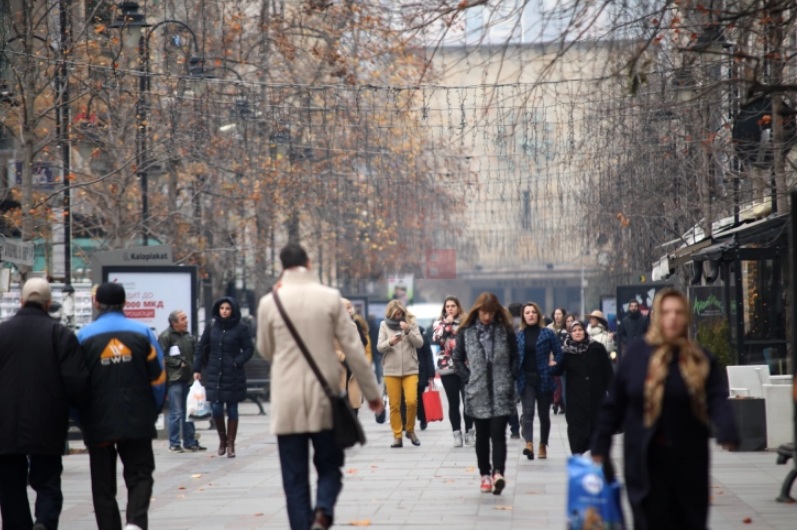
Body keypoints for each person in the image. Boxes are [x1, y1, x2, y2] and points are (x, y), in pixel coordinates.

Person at [257, 244, 382, 530]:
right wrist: (372, 394)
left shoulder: (270, 302)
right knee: (329, 467)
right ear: (309, 263)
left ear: (281, 265)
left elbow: (265, 349)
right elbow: (354, 349)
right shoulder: (330, 298)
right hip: (325, 398)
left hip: (287, 402)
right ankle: (323, 511)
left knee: (294, 477)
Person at [591, 289, 739, 530]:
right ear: (656, 316)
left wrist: (727, 429)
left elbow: (716, 398)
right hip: (644, 459)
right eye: (666, 312)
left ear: (686, 317)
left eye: (679, 312)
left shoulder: (699, 358)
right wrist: (600, 444)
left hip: (688, 459)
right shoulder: (637, 356)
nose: (672, 318)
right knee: (649, 520)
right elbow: (614, 404)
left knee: (689, 521)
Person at [0, 278, 89, 530]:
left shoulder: (2, 333)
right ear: (49, 303)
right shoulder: (59, 334)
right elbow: (77, 382)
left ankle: (18, 526)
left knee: (9, 484)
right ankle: (44, 522)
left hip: (5, 425)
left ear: (21, 300)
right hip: (47, 421)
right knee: (48, 479)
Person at [77, 282, 166, 530]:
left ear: (97, 303)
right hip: (137, 418)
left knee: (103, 485)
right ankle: (135, 522)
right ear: (125, 303)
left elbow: (74, 383)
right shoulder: (143, 333)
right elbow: (159, 380)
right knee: (140, 474)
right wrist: (152, 411)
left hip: (98, 421)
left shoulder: (83, 338)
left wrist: (82, 417)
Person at [452, 292, 518, 495]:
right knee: (482, 437)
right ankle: (485, 475)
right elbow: (457, 359)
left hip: (501, 389)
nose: (487, 317)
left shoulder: (505, 330)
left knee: (499, 434)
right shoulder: (466, 332)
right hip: (478, 390)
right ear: (477, 311)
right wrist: (468, 378)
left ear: (496, 312)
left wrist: (509, 376)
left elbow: (516, 357)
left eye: (490, 313)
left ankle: (498, 472)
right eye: (483, 312)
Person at [194, 296, 254, 458]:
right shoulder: (212, 325)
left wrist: (237, 362)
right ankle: (222, 439)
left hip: (233, 373)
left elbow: (249, 349)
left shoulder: (241, 327)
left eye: (227, 309)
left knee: (232, 408)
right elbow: (201, 347)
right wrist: (197, 368)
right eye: (222, 309)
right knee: (216, 408)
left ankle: (230, 445)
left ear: (233, 310)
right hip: (214, 372)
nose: (224, 311)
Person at [549, 320, 613, 454]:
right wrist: (547, 364)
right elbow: (557, 370)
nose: (577, 333)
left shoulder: (597, 348)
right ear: (570, 334)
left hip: (596, 397)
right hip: (576, 400)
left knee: (596, 432)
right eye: (574, 331)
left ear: (585, 331)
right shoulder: (566, 353)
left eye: (580, 330)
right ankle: (578, 459)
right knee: (577, 433)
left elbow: (607, 372)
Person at [516, 301, 563, 461]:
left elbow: (559, 354)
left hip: (544, 377)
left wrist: (553, 369)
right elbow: (514, 357)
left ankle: (543, 444)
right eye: (527, 312)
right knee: (527, 412)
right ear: (523, 316)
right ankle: (528, 443)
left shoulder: (548, 334)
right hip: (525, 378)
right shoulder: (519, 335)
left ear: (539, 315)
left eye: (533, 312)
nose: (530, 315)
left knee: (544, 415)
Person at [377, 300, 424, 447]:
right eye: (395, 314)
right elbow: (379, 347)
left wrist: (409, 331)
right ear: (390, 313)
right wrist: (390, 342)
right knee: (394, 405)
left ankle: (410, 430)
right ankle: (397, 436)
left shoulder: (411, 324)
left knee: (411, 401)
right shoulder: (384, 325)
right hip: (391, 369)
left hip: (410, 368)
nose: (398, 316)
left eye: (400, 313)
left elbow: (420, 343)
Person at [158, 310, 206, 453]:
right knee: (176, 412)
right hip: (175, 379)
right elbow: (162, 356)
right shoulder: (166, 336)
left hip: (189, 378)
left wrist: (196, 369)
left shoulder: (188, 336)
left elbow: (196, 354)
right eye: (183, 319)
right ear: (174, 323)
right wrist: (178, 363)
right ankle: (174, 443)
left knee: (190, 411)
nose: (186, 321)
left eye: (186, 318)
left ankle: (190, 441)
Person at [432, 296, 474, 446]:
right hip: (447, 366)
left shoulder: (467, 322)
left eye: (453, 306)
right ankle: (457, 433)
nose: (450, 308)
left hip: (465, 366)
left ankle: (470, 432)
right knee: (453, 403)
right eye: (447, 306)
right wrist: (447, 325)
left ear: (458, 307)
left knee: (468, 401)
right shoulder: (438, 323)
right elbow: (438, 340)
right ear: (444, 309)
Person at [401, 325, 435, 431]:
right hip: (404, 371)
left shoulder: (422, 337)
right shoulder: (399, 336)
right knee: (404, 398)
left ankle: (423, 418)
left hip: (420, 372)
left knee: (419, 397)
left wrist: (431, 373)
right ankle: (404, 420)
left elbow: (428, 355)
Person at [548, 308, 568, 415]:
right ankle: (556, 401)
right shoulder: (549, 329)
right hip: (552, 358)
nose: (557, 316)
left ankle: (560, 402)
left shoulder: (567, 328)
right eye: (555, 314)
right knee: (556, 382)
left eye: (559, 314)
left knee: (561, 382)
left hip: (564, 358)